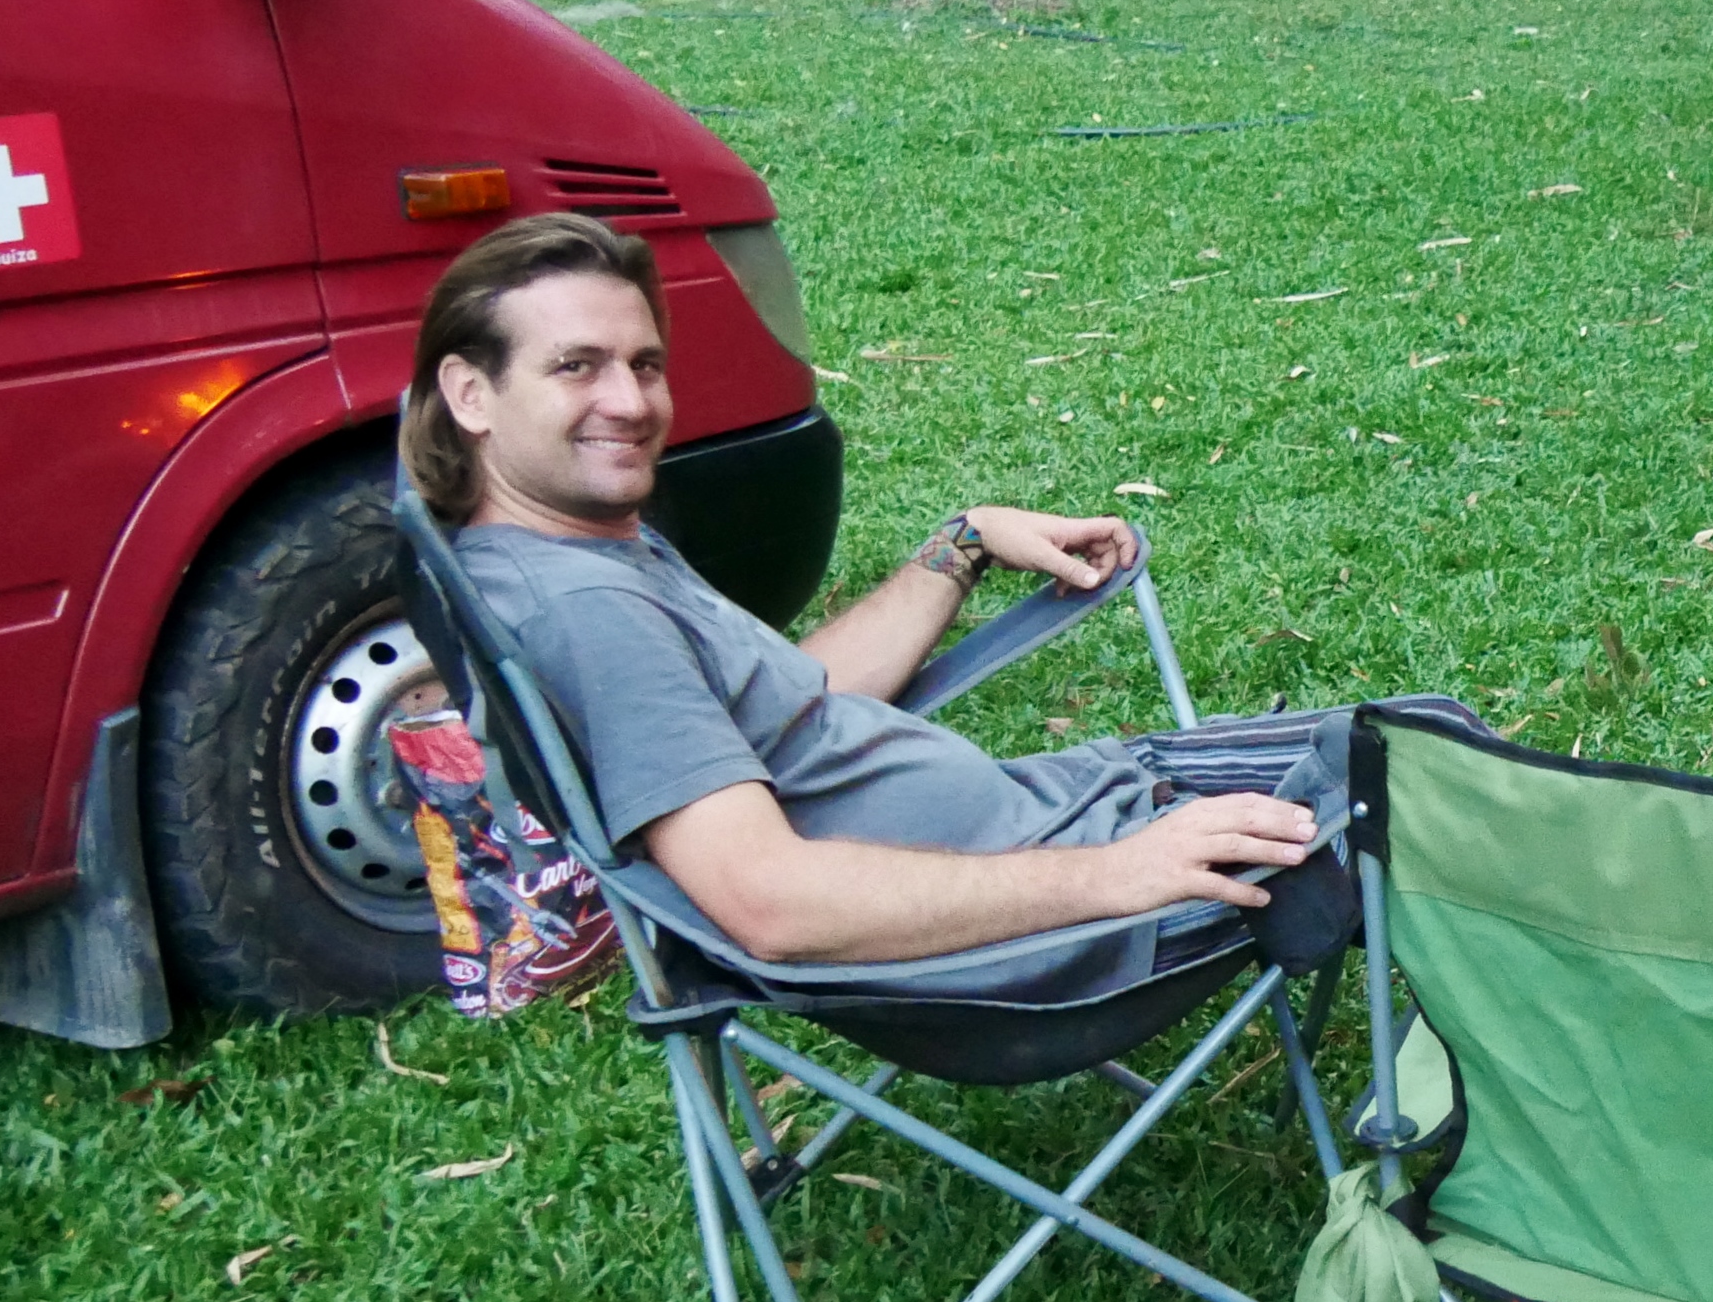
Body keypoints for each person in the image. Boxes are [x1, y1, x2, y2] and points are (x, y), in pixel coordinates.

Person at [409, 212, 1430, 968]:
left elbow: (791, 705)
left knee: (1417, 751)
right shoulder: (587, 611)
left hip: (1075, 814)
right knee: (1434, 777)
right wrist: (1119, 873)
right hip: (1058, 898)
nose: (631, 402)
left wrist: (964, 543)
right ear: (470, 394)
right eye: (576, 367)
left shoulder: (571, 550)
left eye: (644, 364)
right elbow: (768, 902)